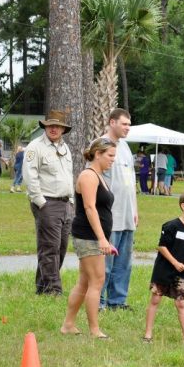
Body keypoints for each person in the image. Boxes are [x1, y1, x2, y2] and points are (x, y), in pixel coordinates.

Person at [60, 138, 116, 339]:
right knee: (97, 281)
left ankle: (68, 324)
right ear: (98, 154)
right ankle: (94, 330)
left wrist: (105, 238)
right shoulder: (88, 176)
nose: (113, 160)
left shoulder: (99, 176)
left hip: (95, 235)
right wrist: (102, 239)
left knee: (85, 281)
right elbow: (89, 208)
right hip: (88, 235)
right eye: (110, 155)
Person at [22, 110, 75, 296]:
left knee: (60, 248)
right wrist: (40, 202)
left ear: (63, 129)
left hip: (66, 204)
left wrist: (71, 201)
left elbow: (68, 175)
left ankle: (42, 288)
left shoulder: (64, 147)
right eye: (50, 125)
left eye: (57, 126)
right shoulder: (35, 147)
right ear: (45, 126)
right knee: (49, 248)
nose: (54, 129)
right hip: (48, 203)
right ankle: (54, 290)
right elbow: (30, 176)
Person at [143, 191, 184, 344]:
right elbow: (161, 247)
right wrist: (175, 263)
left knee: (181, 303)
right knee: (155, 299)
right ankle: (148, 334)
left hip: (181, 274)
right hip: (163, 271)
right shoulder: (171, 226)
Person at [101, 108, 138, 311]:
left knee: (124, 262)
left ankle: (118, 301)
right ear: (112, 122)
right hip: (110, 214)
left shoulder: (125, 147)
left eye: (129, 125)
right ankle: (99, 302)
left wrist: (135, 209)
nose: (127, 128)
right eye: (124, 124)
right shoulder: (101, 145)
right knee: (105, 264)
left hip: (127, 213)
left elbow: (130, 182)